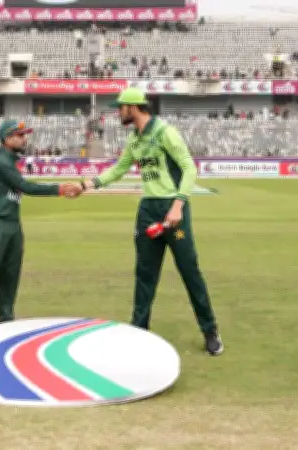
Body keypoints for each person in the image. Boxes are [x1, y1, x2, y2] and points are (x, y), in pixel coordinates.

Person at [75, 88, 224, 356]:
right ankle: (139, 331)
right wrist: (86, 184)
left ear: (133, 108)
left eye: (121, 108)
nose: (118, 112)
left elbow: (189, 167)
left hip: (173, 209)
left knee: (189, 271)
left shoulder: (165, 132)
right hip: (148, 209)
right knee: (145, 274)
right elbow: (119, 169)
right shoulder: (134, 139)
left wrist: (178, 205)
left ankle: (210, 331)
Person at [0, 119, 82, 345]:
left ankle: (6, 321)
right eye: (20, 135)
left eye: (24, 135)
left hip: (12, 224)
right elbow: (25, 186)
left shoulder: (12, 161)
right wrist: (59, 189)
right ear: (7, 138)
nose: (24, 139)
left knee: (10, 276)